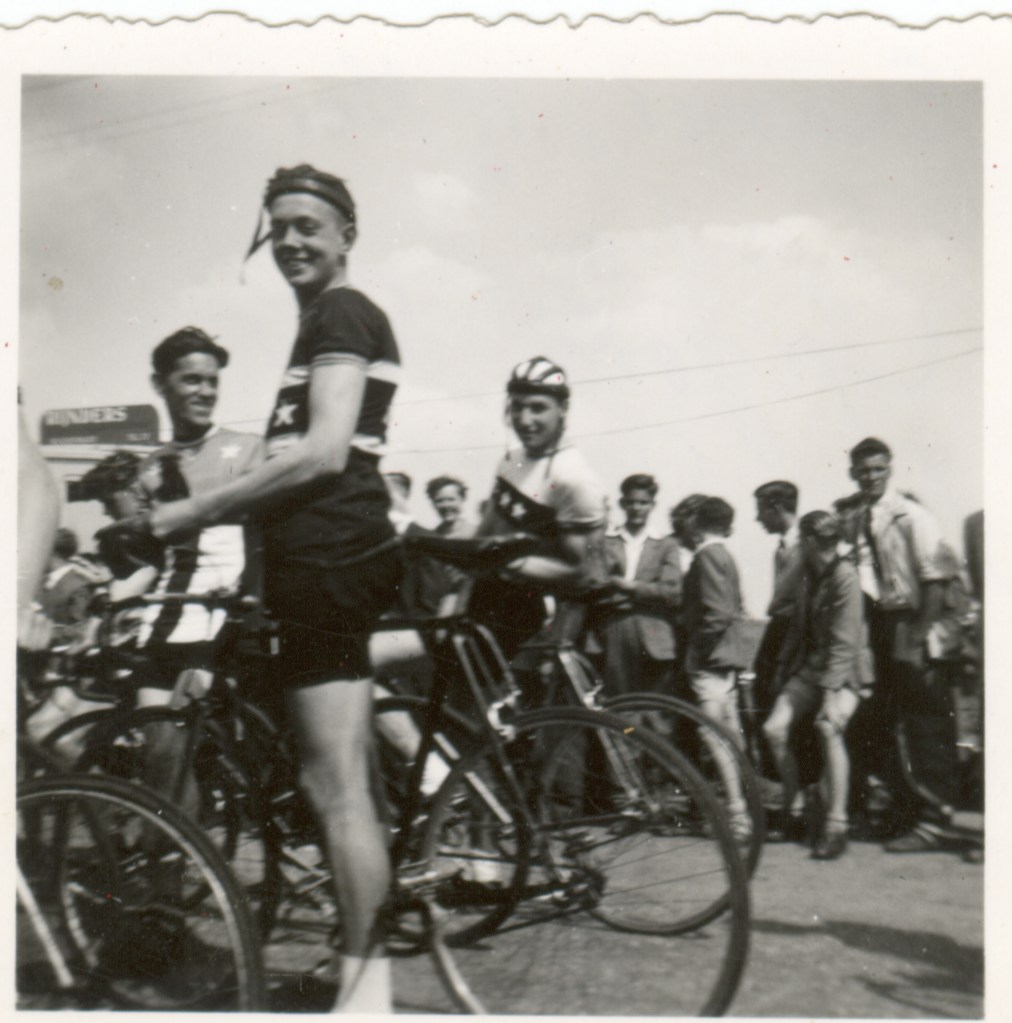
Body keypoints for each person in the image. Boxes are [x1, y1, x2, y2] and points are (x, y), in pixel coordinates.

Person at [114, 165, 403, 1012]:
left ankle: (366, 988)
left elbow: (323, 451)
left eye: (309, 225)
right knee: (340, 781)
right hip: (318, 566)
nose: (291, 241)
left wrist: (192, 510)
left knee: (334, 788)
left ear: (348, 234)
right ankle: (360, 965)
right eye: (279, 228)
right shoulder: (320, 322)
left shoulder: (341, 313)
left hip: (328, 564)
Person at [834, 436, 957, 852]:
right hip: (880, 626)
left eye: (878, 469)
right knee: (882, 722)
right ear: (853, 473)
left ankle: (935, 821)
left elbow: (935, 580)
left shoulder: (911, 515)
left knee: (925, 724)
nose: (871, 477)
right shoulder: (858, 518)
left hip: (913, 621)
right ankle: (902, 811)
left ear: (889, 469)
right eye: (864, 471)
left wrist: (917, 638)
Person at [462, 356, 608, 669]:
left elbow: (587, 573)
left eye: (538, 408)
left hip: (530, 616)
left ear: (563, 409)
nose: (524, 419)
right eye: (517, 407)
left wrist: (509, 561)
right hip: (483, 599)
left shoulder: (573, 476)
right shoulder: (510, 459)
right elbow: (483, 537)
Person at [762, 511, 873, 860]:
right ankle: (796, 805)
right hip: (813, 668)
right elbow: (793, 622)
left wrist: (829, 698)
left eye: (801, 540)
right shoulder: (808, 574)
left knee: (828, 727)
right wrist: (782, 668)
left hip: (847, 673)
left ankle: (836, 825)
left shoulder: (845, 577)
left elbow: (844, 643)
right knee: (773, 729)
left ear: (810, 541)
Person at [681, 495, 751, 837]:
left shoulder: (706, 556)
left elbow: (718, 614)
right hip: (728, 658)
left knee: (712, 734)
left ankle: (737, 814)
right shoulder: (725, 555)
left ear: (698, 523)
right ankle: (746, 809)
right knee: (730, 734)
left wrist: (697, 647)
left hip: (710, 659)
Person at [597, 474, 682, 698]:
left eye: (643, 503)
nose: (636, 508)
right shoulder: (605, 542)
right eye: (631, 502)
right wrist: (648, 592)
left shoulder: (666, 545)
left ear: (652, 505)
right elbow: (596, 585)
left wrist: (628, 586)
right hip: (613, 629)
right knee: (616, 702)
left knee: (654, 705)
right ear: (622, 503)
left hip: (654, 632)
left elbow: (672, 593)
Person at [752, 481, 804, 715]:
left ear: (777, 509)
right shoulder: (782, 547)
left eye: (760, 511)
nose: (757, 518)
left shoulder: (805, 545)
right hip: (781, 627)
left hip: (794, 631)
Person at [669, 493, 708, 576]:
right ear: (683, 518)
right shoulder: (663, 547)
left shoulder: (704, 552)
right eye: (697, 523)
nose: (702, 529)